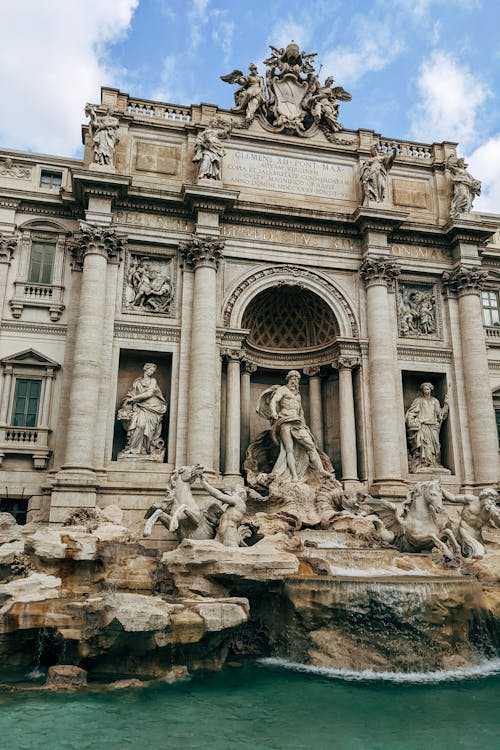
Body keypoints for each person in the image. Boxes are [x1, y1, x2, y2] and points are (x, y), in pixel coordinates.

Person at [257, 370, 328, 482]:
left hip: (297, 422)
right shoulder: (282, 390)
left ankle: (321, 470)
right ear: (288, 379)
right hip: (285, 420)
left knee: (311, 445)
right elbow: (273, 401)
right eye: (293, 378)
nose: (295, 381)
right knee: (288, 449)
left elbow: (301, 412)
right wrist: (273, 412)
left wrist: (304, 424)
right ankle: (294, 476)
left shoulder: (297, 395)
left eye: (297, 379)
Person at [118, 363, 167, 458]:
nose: (151, 372)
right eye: (150, 370)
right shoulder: (137, 382)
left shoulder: (153, 381)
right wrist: (127, 401)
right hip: (139, 407)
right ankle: (132, 449)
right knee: (139, 425)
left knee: (145, 427)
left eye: (153, 371)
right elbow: (130, 394)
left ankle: (144, 449)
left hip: (152, 408)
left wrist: (134, 398)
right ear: (145, 369)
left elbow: (149, 393)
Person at [441, 486, 500, 557]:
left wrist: (497, 517)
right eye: (490, 499)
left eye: (494, 500)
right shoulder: (471, 499)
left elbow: (498, 525)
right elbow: (453, 498)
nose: (492, 502)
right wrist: (441, 489)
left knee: (484, 553)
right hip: (465, 531)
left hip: (477, 536)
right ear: (484, 497)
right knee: (479, 552)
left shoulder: (491, 512)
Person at [405, 382, 448, 472]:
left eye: (428, 389)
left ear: (431, 390)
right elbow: (411, 412)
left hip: (433, 426)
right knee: (426, 444)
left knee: (436, 445)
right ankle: (425, 463)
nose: (426, 391)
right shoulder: (419, 400)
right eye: (424, 389)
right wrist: (415, 421)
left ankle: (435, 462)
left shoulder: (435, 401)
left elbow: (440, 415)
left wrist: (446, 405)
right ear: (422, 390)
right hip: (424, 425)